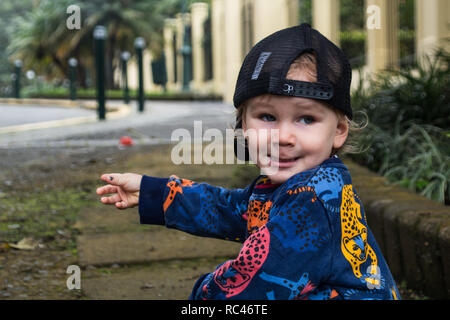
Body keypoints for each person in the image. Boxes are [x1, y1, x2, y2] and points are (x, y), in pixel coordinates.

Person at [96, 24, 400, 300]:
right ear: (242, 126)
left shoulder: (314, 200)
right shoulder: (296, 185)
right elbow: (229, 208)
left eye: (306, 119)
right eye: (267, 117)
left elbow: (250, 286)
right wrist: (153, 193)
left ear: (339, 132)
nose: (283, 136)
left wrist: (203, 295)